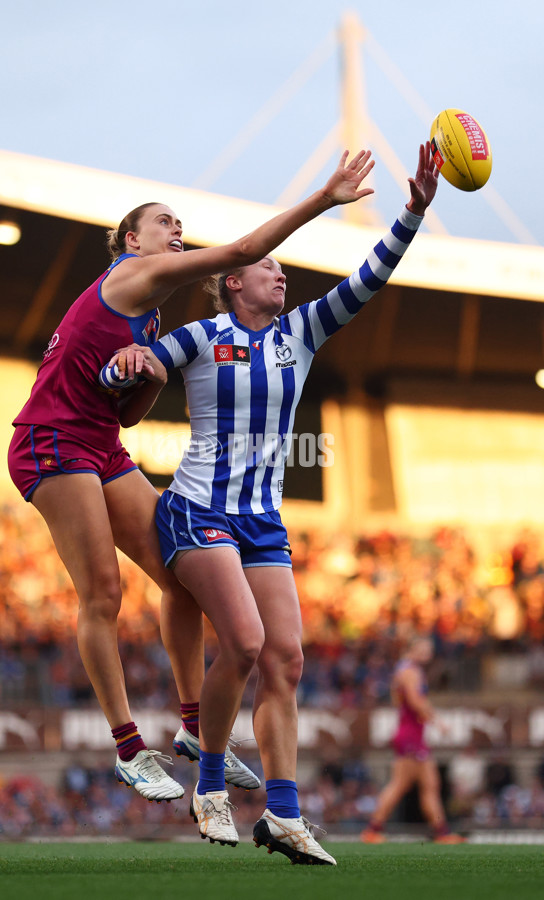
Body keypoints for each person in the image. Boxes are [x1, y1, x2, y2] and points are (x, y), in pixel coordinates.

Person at [6, 148, 375, 806]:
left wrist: (140, 375)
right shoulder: (134, 275)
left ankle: (192, 728)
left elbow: (127, 411)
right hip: (50, 440)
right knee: (103, 594)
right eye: (163, 222)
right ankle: (127, 749)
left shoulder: (147, 315)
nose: (176, 232)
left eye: (179, 226)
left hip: (98, 441)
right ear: (130, 240)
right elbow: (242, 249)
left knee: (179, 571)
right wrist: (325, 198)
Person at [108, 142, 438, 863]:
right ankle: (210, 784)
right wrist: (126, 360)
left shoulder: (302, 332)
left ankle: (283, 814)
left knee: (285, 659)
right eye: (267, 266)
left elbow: (370, 280)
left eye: (281, 268)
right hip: (196, 511)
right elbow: (135, 366)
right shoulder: (199, 336)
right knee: (248, 644)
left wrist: (412, 212)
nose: (280, 272)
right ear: (231, 281)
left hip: (261, 521)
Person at [360, 636, 465, 843]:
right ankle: (373, 829)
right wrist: (438, 722)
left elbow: (402, 700)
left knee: (428, 784)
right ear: (413, 647)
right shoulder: (410, 671)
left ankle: (441, 831)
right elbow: (416, 701)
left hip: (411, 734)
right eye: (425, 647)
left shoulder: (404, 669)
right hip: (411, 736)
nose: (429, 652)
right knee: (403, 785)